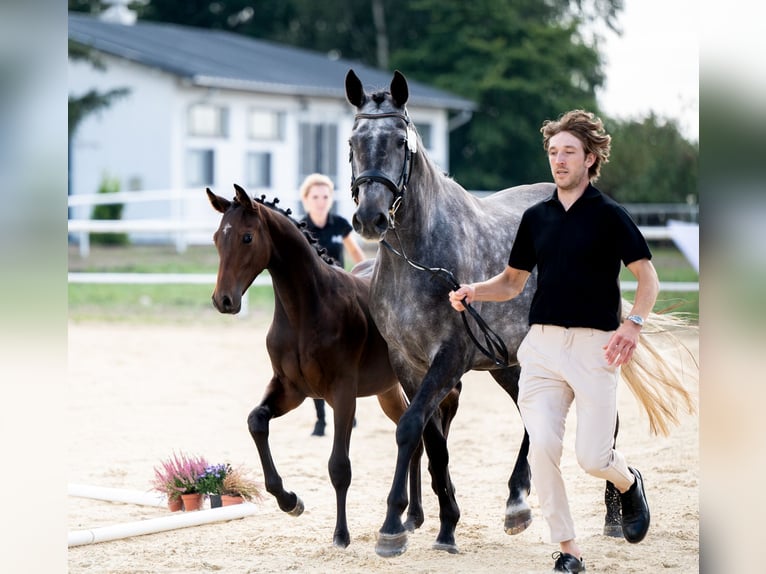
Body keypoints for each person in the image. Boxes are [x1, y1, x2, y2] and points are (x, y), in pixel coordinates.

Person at [449, 110, 656, 573]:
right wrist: (473, 292)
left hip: (595, 348)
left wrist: (634, 324)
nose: (558, 161)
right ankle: (568, 549)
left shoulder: (609, 216)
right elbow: (511, 281)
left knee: (592, 457)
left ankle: (628, 482)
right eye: (553, 153)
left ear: (591, 158)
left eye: (568, 153)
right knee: (541, 445)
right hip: (540, 348)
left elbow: (648, 277)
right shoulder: (535, 218)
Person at [299, 173, 365, 437]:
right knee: (314, 357)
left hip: (339, 294)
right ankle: (320, 419)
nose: (320, 201)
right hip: (312, 299)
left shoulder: (340, 225)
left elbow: (357, 256)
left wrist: (361, 279)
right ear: (306, 200)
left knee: (349, 352)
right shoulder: (300, 227)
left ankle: (348, 408)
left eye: (325, 196)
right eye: (315, 197)